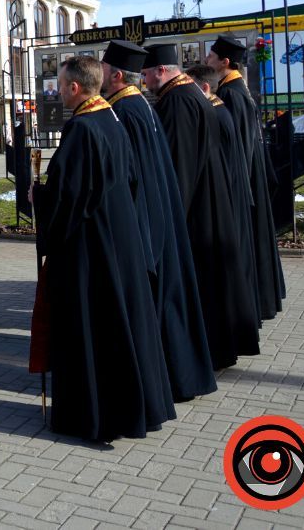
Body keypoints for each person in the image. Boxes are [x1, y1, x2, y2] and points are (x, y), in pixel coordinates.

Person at [30, 56, 176, 441]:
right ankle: (130, 409)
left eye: (61, 85)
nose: (58, 92)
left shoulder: (80, 129)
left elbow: (71, 195)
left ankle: (93, 416)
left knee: (94, 327)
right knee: (119, 324)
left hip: (91, 247)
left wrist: (39, 198)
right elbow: (125, 179)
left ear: (75, 88)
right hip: (119, 236)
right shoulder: (110, 118)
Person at [102, 41, 216, 402]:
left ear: (117, 74)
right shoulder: (141, 104)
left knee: (161, 307)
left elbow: (129, 175)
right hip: (160, 213)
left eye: (104, 71)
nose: (99, 77)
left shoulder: (127, 109)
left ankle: (171, 381)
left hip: (148, 220)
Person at [143, 43, 260, 369]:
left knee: (204, 286)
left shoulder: (179, 102)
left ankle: (203, 353)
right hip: (209, 202)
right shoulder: (188, 96)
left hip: (197, 211)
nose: (145, 80)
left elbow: (177, 168)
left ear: (161, 70)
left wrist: (166, 217)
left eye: (147, 73)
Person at [207, 35, 285, 320]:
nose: (206, 61)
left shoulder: (230, 94)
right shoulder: (236, 89)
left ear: (225, 62)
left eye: (211, 57)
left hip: (245, 178)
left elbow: (236, 145)